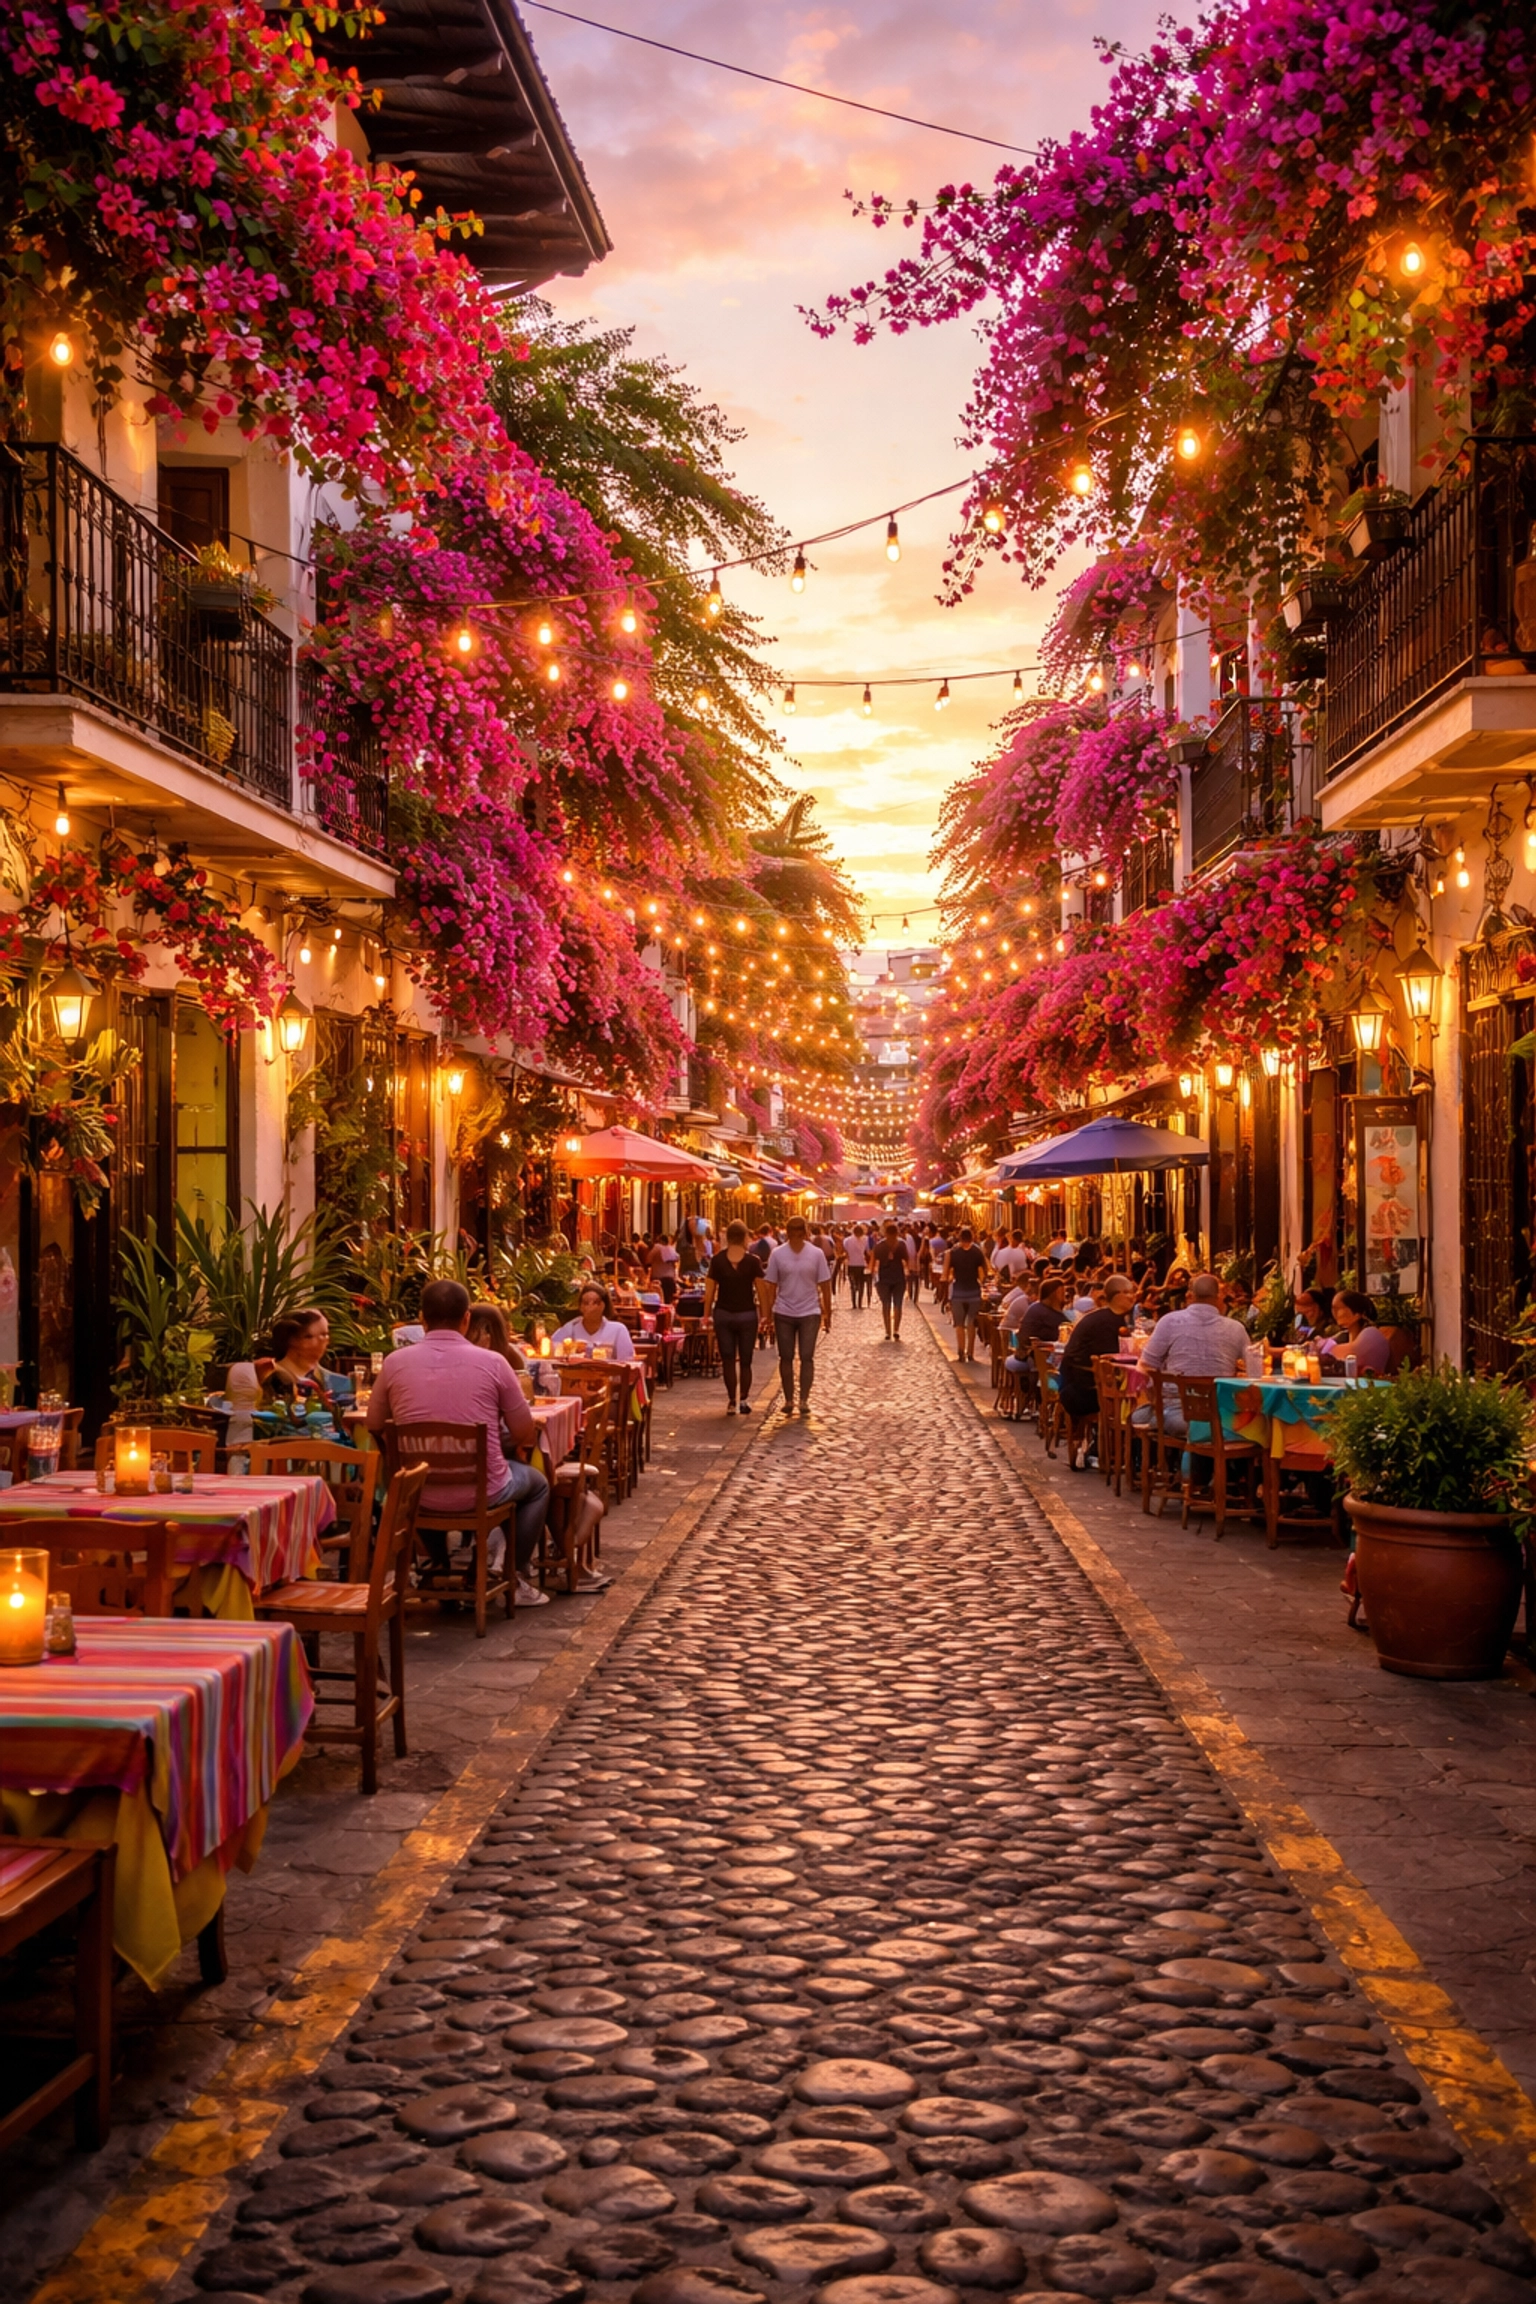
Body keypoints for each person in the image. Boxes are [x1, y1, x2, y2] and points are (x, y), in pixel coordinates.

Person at [366, 1277, 552, 1608]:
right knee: (537, 1485)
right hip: (483, 1490)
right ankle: (517, 1575)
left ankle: (440, 1563)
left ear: (422, 1320)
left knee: (425, 1473)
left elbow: (375, 1424)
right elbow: (524, 1433)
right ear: (467, 1318)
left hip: (416, 1492)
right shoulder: (495, 1363)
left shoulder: (394, 1363)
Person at [1134, 1273, 1248, 1435]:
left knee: (1138, 1416)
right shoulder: (1237, 1329)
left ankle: (1154, 1459)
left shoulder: (1169, 1322)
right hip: (1222, 1414)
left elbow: (1145, 1367)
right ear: (1219, 1297)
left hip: (1177, 1413)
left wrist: (1155, 1400)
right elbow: (1253, 1369)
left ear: (1191, 1296)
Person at [1056, 1273, 1136, 1470]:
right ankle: (1125, 1455)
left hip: (1078, 1386)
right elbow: (1111, 1360)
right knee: (1139, 1402)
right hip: (1085, 1392)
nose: (1132, 1297)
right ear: (1114, 1295)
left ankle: (1114, 1452)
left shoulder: (1107, 1318)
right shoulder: (1108, 1323)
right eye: (1126, 1293)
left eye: (1132, 1292)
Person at [762, 1215, 832, 1416]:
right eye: (791, 1230)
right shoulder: (777, 1254)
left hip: (810, 1311)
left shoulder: (816, 1254)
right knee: (786, 1357)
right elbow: (771, 1285)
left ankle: (803, 1399)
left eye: (798, 1230)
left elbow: (825, 1285)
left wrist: (827, 1314)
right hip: (783, 1311)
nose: (795, 1234)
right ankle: (789, 1398)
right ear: (787, 1231)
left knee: (807, 1356)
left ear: (804, 1232)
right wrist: (768, 1314)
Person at [704, 1221, 768, 1414]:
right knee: (746, 1361)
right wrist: (765, 1316)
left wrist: (706, 1315)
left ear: (728, 1238)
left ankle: (732, 1400)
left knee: (728, 1359)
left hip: (723, 1314)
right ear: (745, 1238)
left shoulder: (717, 1261)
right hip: (747, 1315)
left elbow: (709, 1292)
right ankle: (743, 1400)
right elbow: (762, 1290)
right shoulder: (753, 1261)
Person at [260, 1309, 349, 1439]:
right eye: (309, 1336)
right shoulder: (267, 1376)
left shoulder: (340, 1383)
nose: (322, 1341)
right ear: (291, 1341)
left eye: (325, 1334)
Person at [551, 1284, 637, 1361]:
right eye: (586, 1303)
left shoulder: (618, 1330)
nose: (590, 1306)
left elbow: (627, 1362)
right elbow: (552, 1352)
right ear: (580, 1307)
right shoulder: (570, 1328)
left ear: (604, 1306)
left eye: (596, 1302)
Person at [1322, 1289, 1392, 1375]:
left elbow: (1352, 1354)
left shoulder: (1372, 1333)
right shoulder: (1343, 1336)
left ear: (1357, 1314)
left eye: (1338, 1308)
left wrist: (1320, 1347)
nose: (1334, 1312)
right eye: (1333, 1308)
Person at [948, 1226, 989, 1364]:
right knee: (972, 1323)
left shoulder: (953, 1252)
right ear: (972, 1238)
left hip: (958, 1292)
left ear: (959, 1238)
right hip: (973, 1292)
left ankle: (960, 1352)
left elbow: (948, 1274)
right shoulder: (978, 1252)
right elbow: (985, 1271)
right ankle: (970, 1353)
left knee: (959, 1324)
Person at [872, 1220, 911, 1340]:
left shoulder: (879, 1245)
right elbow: (906, 1260)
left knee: (886, 1305)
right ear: (897, 1233)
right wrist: (908, 1272)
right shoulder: (902, 1244)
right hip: (899, 1278)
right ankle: (896, 1330)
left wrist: (873, 1275)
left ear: (885, 1233)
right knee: (898, 1304)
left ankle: (887, 1331)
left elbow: (874, 1262)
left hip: (884, 1278)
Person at [647, 1232, 680, 1303]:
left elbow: (648, 1260)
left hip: (658, 1280)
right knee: (670, 1301)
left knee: (659, 1302)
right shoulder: (671, 1249)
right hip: (669, 1280)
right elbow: (677, 1258)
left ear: (660, 1241)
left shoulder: (656, 1248)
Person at [845, 1222, 870, 1310]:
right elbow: (868, 1252)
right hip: (861, 1264)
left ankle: (854, 1304)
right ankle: (860, 1303)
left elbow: (845, 1252)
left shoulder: (847, 1240)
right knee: (861, 1284)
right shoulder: (866, 1240)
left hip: (851, 1264)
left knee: (852, 1285)